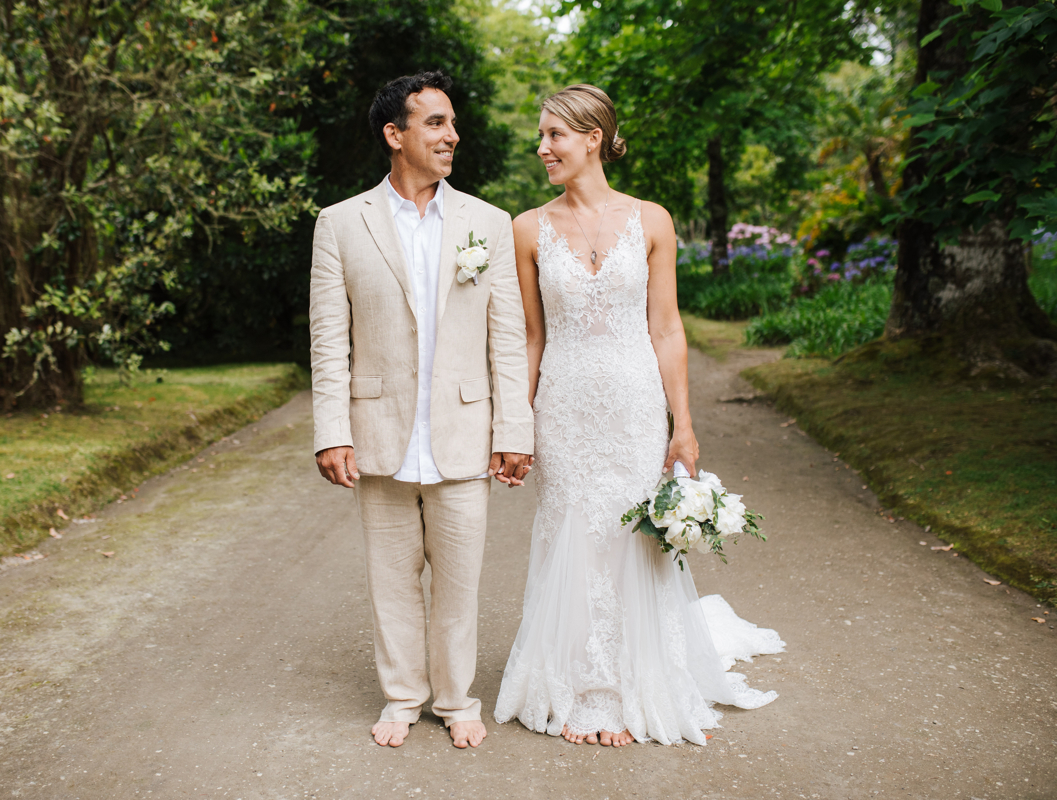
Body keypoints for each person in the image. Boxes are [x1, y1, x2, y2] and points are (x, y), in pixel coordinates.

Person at [493, 84, 784, 747]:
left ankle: (634, 684)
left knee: (631, 535)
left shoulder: (652, 220)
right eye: (541, 137)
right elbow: (531, 337)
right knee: (570, 529)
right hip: (563, 404)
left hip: (634, 403)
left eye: (553, 136)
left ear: (592, 137)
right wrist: (513, 425)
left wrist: (683, 424)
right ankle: (575, 684)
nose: (542, 148)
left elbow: (667, 328)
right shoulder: (526, 228)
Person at [309, 71, 533, 750]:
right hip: (380, 432)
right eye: (435, 122)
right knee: (392, 582)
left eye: (452, 123)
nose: (451, 135)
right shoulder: (341, 223)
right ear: (394, 134)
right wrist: (332, 431)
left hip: (463, 432)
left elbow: (507, 339)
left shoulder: (486, 224)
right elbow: (328, 339)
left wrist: (513, 429)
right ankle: (402, 699)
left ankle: (457, 700)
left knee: (459, 583)